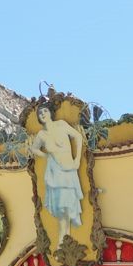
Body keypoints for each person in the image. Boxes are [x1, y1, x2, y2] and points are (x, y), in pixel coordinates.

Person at [30, 103, 84, 241]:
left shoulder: (61, 124)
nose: (43, 114)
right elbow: (34, 148)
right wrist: (46, 156)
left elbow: (78, 136)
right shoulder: (42, 134)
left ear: (50, 113)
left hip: (68, 168)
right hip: (55, 171)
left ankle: (66, 238)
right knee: (60, 207)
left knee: (68, 204)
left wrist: (77, 159)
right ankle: (63, 239)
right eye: (40, 113)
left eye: (45, 111)